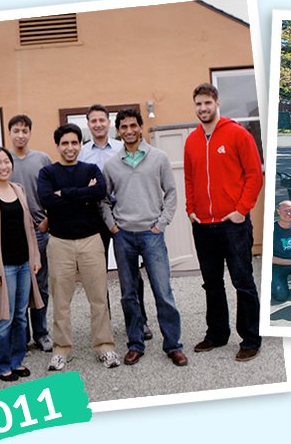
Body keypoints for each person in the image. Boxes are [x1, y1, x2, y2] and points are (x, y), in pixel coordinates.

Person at [100, 108, 188, 367]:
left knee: (163, 292)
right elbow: (104, 200)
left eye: (132, 126)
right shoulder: (111, 165)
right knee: (128, 294)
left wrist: (161, 224)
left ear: (140, 127)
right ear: (118, 131)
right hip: (124, 236)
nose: (128, 131)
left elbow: (171, 193)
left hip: (152, 235)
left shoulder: (158, 158)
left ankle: (173, 345)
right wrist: (112, 226)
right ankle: (135, 344)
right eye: (123, 127)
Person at [183, 83, 264, 362]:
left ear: (217, 103)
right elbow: (190, 179)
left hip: (233, 223)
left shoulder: (237, 134)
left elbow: (254, 175)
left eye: (207, 103)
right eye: (198, 104)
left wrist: (241, 210)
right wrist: (190, 208)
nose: (203, 108)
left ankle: (251, 339)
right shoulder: (191, 141)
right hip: (203, 225)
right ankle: (217, 334)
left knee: (242, 281)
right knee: (212, 283)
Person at [37, 124, 119, 371]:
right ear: (58, 146)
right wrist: (83, 194)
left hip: (91, 240)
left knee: (98, 298)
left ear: (79, 145)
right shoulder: (47, 173)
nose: (70, 148)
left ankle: (104, 346)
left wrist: (66, 194)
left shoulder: (91, 169)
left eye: (74, 143)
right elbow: (47, 199)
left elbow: (100, 191)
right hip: (60, 242)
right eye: (65, 143)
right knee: (61, 300)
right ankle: (61, 350)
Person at [79, 104, 152, 343]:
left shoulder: (124, 147)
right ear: (88, 124)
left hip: (122, 216)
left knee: (130, 272)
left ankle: (140, 320)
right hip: (92, 218)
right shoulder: (81, 153)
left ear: (109, 123)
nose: (98, 124)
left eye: (102, 120)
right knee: (97, 273)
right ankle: (104, 324)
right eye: (93, 121)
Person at [0, 147, 43, 381]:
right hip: (4, 266)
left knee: (21, 315)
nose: (4, 166)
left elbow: (30, 229)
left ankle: (16, 360)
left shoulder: (18, 189)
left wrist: (35, 258)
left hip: (24, 262)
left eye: (7, 162)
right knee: (5, 316)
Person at [6, 114, 53, 352]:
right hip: (14, 235)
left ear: (30, 133)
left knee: (41, 285)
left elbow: (55, 191)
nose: (21, 135)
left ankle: (41, 333)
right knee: (19, 287)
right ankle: (20, 336)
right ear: (10, 133)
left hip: (39, 231)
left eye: (25, 130)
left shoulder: (42, 159)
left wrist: (48, 220)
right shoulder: (3, 160)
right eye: (16, 130)